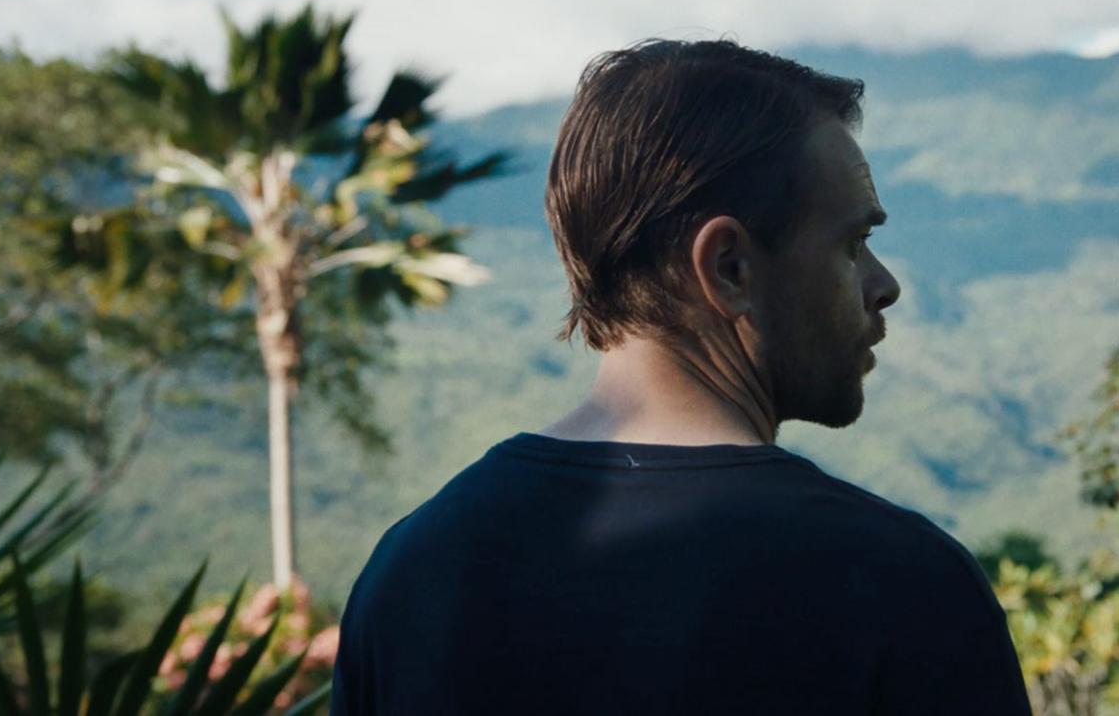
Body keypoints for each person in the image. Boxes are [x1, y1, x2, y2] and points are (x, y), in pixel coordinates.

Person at [331, 39, 1032, 715]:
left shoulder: (411, 571)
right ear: (730, 267)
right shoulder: (901, 587)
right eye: (854, 244)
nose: (885, 286)